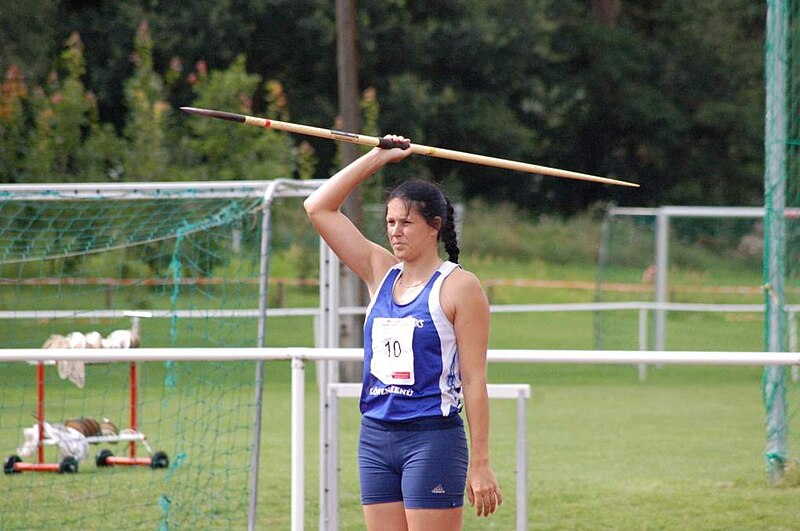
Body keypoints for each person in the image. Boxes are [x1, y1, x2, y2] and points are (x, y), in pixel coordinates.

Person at [304, 135, 502, 530]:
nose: (395, 231)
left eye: (406, 222)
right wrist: (377, 158)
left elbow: (474, 378)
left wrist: (480, 462)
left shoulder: (460, 287)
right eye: (391, 222)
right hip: (376, 437)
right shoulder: (379, 272)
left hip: (431, 438)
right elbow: (318, 207)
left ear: (434, 227)